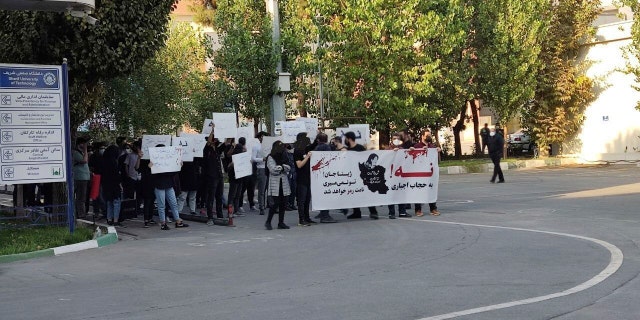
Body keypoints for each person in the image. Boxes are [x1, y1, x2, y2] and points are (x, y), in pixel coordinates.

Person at [149, 144, 189, 230]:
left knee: (173, 203)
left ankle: (177, 221)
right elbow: (151, 176)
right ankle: (163, 223)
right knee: (162, 205)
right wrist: (150, 168)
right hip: (159, 185)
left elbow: (172, 173)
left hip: (168, 184)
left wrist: (178, 166)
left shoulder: (167, 160)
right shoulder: (153, 162)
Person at [344, 131, 379, 220]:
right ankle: (356, 212)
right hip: (352, 175)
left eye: (346, 138)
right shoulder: (347, 150)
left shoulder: (360, 148)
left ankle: (373, 212)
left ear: (349, 138)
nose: (345, 140)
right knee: (354, 193)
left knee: (366, 193)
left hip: (362, 175)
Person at [265, 140, 292, 230]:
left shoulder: (285, 155)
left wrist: (282, 167)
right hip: (275, 183)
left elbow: (289, 167)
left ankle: (281, 222)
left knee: (283, 203)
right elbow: (273, 170)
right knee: (275, 204)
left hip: (284, 182)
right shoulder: (270, 157)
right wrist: (282, 167)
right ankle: (268, 222)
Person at [414, 129, 441, 216]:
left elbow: (435, 160)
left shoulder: (432, 147)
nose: (429, 137)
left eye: (430, 135)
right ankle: (418, 210)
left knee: (431, 190)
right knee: (418, 191)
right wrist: (421, 150)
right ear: (422, 136)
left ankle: (433, 208)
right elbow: (413, 158)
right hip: (419, 173)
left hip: (430, 173)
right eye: (427, 135)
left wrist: (437, 151)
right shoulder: (417, 146)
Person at [293, 132, 318, 226]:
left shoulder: (305, 149)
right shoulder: (297, 151)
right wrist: (307, 157)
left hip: (308, 178)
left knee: (307, 199)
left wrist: (317, 137)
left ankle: (307, 218)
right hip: (301, 178)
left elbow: (313, 145)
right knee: (302, 200)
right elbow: (299, 165)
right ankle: (301, 219)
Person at [313, 133, 338, 223]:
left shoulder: (317, 148)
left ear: (318, 140)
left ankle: (322, 213)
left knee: (321, 195)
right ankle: (325, 215)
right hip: (325, 174)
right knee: (326, 195)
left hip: (319, 174)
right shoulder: (326, 147)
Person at [202, 131, 225, 225]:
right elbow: (208, 143)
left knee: (219, 196)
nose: (215, 141)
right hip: (211, 176)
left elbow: (226, 143)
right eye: (214, 139)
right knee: (211, 197)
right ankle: (210, 217)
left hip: (219, 175)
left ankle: (220, 215)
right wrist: (213, 130)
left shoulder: (217, 150)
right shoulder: (207, 149)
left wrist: (230, 130)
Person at [387, 132, 409, 219]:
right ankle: (391, 213)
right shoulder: (388, 149)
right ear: (391, 140)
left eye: (398, 139)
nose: (396, 141)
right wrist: (392, 152)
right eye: (394, 139)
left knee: (401, 192)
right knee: (391, 193)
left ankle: (402, 212)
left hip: (401, 175)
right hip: (391, 176)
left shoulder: (402, 149)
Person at [101, 145, 124, 226]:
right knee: (116, 201)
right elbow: (116, 175)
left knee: (109, 201)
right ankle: (116, 220)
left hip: (106, 184)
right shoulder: (114, 162)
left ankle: (109, 218)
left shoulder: (103, 161)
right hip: (114, 184)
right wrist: (120, 185)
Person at [135, 145, 156, 228]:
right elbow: (137, 168)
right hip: (146, 183)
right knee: (147, 201)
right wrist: (139, 158)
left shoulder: (156, 159)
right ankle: (146, 220)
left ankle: (150, 218)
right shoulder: (143, 160)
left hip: (155, 182)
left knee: (151, 201)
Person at [227, 137, 247, 216]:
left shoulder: (239, 155)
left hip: (238, 177)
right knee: (233, 195)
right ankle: (231, 211)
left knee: (236, 195)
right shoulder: (233, 157)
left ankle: (235, 210)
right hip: (235, 177)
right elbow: (228, 167)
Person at [72, 137, 91, 219]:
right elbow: (84, 161)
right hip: (79, 178)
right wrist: (86, 150)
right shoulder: (75, 153)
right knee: (81, 198)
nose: (85, 145)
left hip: (84, 177)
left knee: (83, 197)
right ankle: (81, 215)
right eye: (84, 144)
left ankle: (80, 213)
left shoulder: (81, 152)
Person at [252, 131, 269, 215]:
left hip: (269, 168)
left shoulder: (269, 146)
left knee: (268, 188)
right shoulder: (256, 146)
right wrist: (262, 159)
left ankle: (266, 204)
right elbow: (253, 158)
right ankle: (261, 206)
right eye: (262, 137)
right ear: (259, 138)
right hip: (261, 168)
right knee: (262, 189)